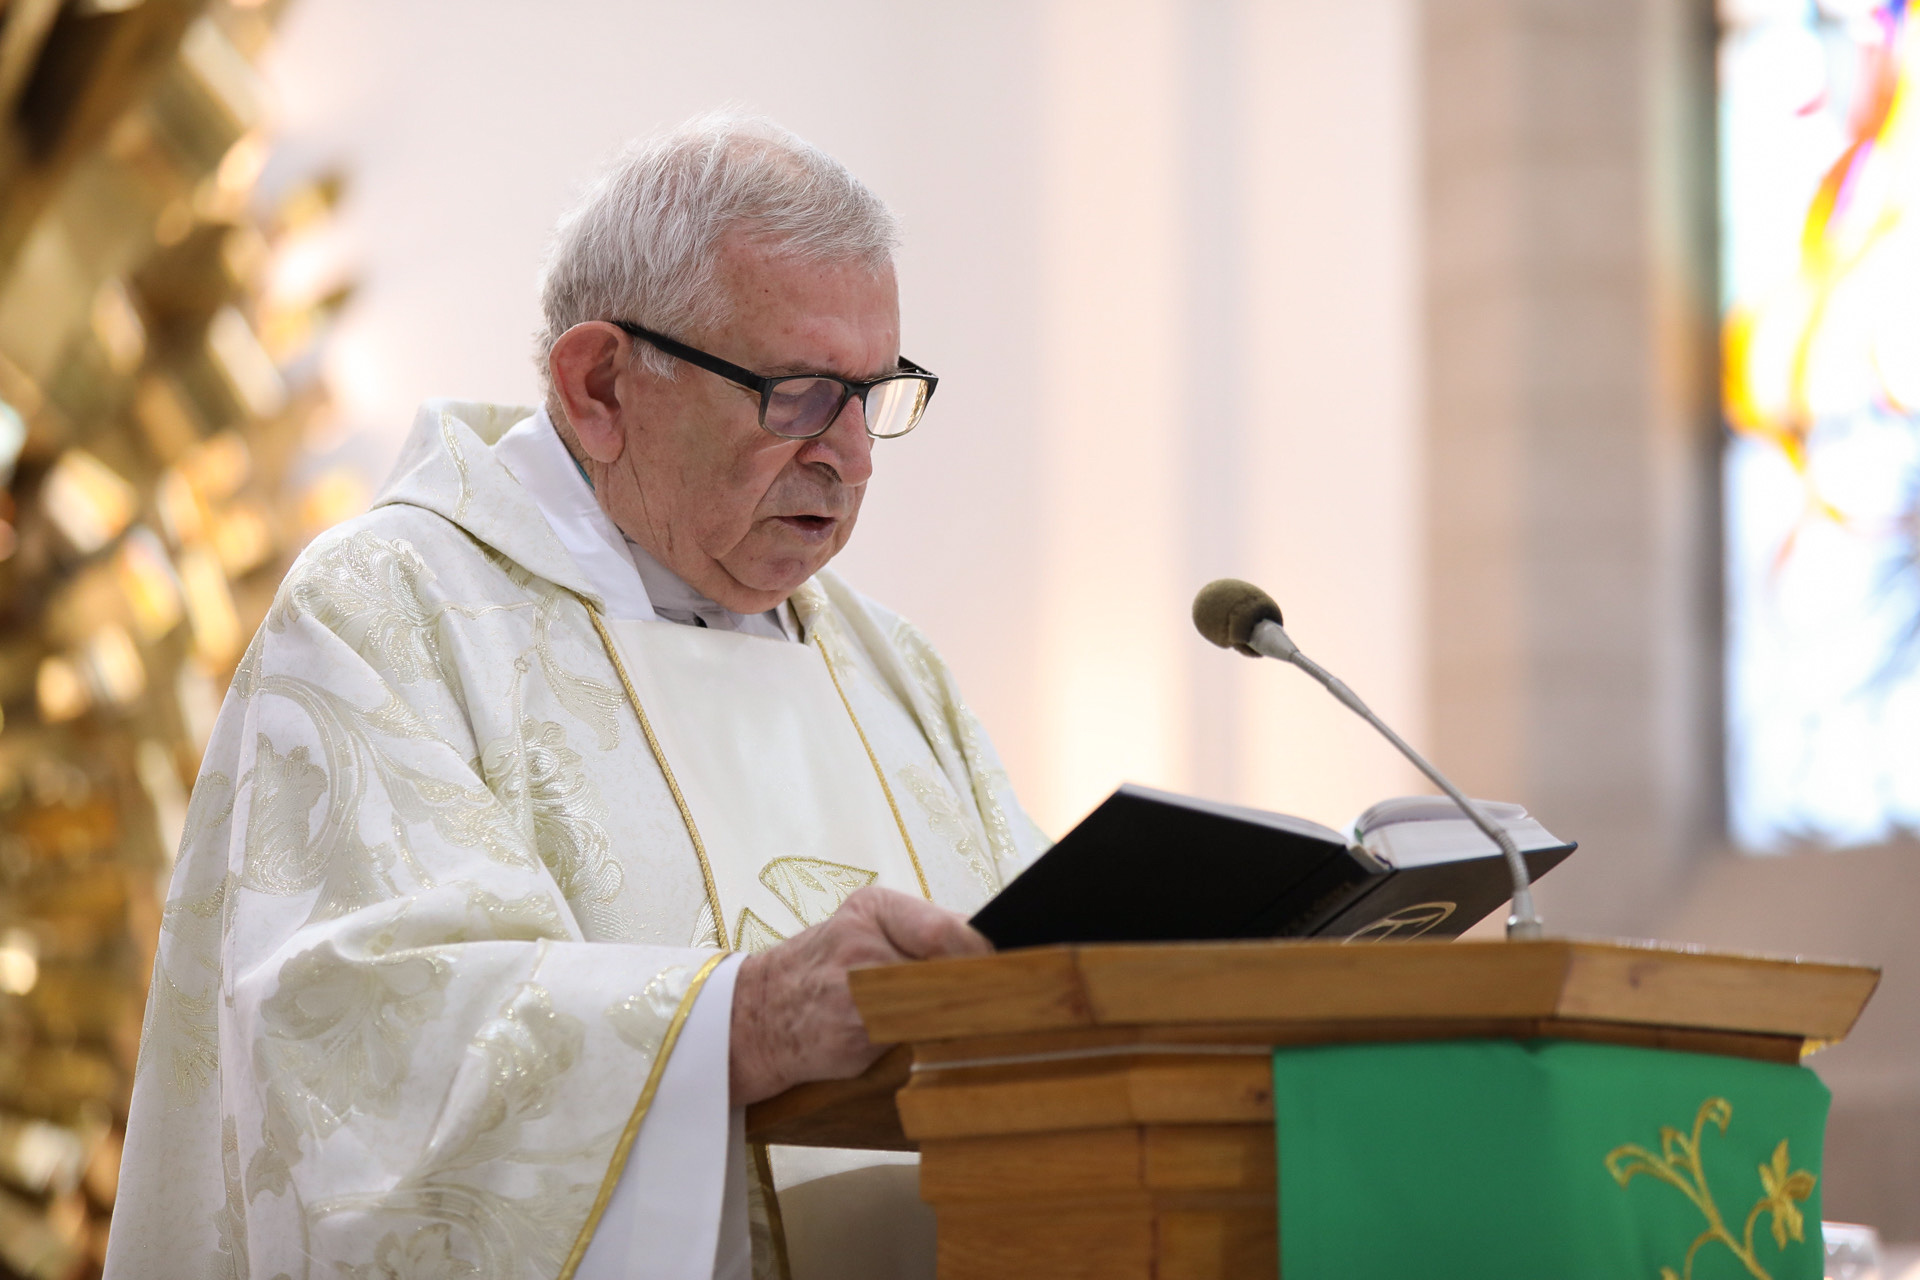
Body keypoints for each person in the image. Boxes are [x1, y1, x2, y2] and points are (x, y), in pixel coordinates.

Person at [103, 113, 1046, 1280]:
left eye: (876, 393)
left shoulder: (888, 666)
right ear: (599, 384)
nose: (852, 456)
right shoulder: (390, 614)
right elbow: (358, 1053)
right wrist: (742, 1022)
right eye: (801, 394)